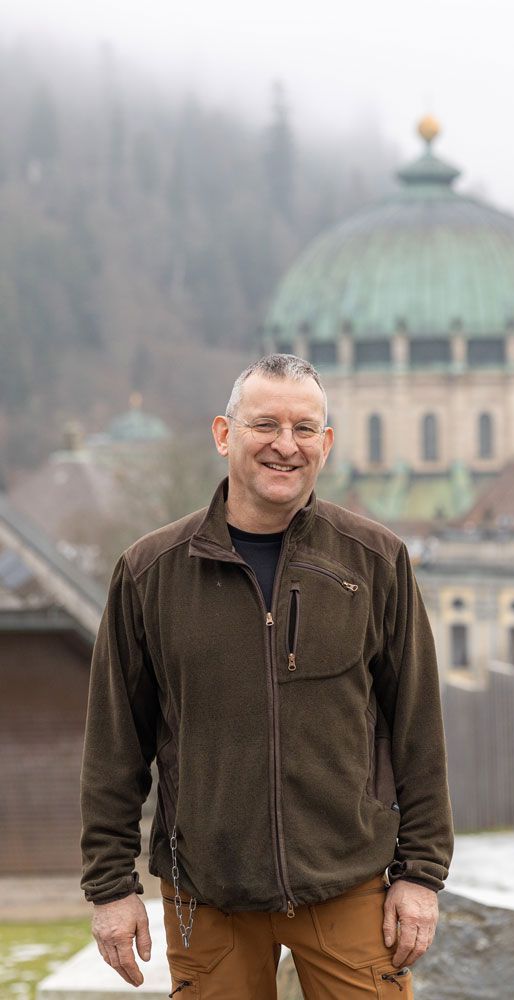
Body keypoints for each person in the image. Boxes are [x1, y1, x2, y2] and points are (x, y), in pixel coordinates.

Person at [80, 354, 453, 999]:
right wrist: (110, 886)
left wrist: (421, 874)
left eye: (304, 428)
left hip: (348, 884)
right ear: (224, 434)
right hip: (208, 893)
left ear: (326, 444)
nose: (286, 445)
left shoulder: (376, 561)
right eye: (265, 425)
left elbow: (417, 727)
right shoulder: (150, 572)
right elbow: (116, 744)